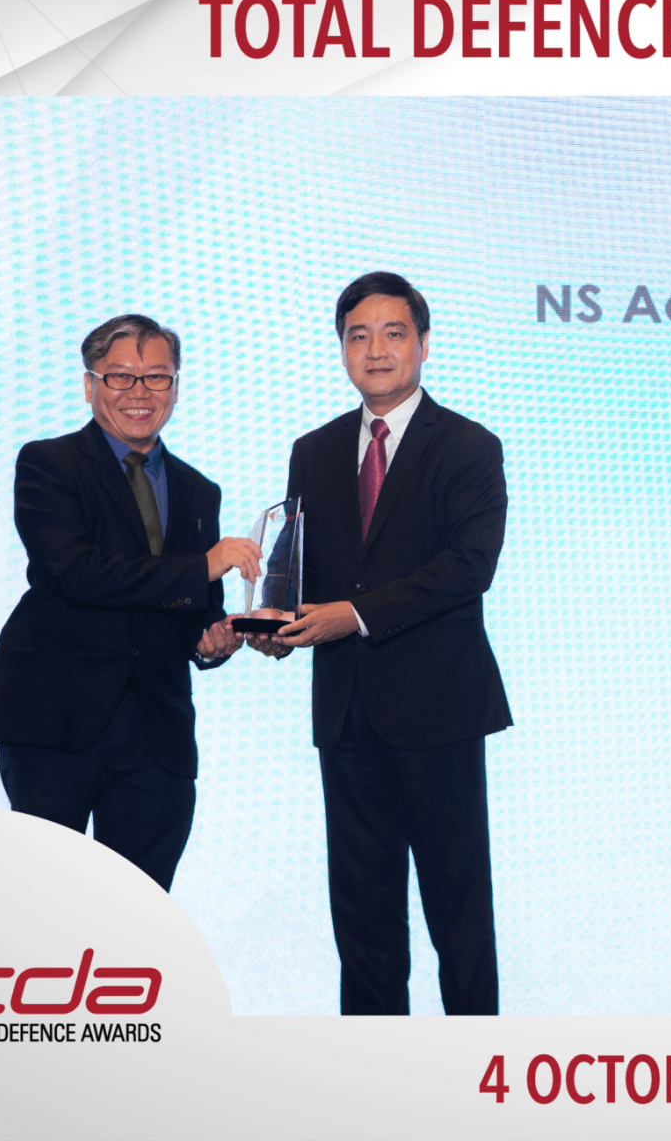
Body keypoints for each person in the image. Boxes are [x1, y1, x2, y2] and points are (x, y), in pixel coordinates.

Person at [249, 271, 511, 1015]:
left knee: (458, 915)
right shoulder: (314, 450)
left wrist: (353, 616)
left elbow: (468, 569)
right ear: (341, 349)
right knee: (362, 921)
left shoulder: (468, 446)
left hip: (440, 712)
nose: (376, 350)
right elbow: (298, 572)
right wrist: (277, 627)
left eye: (393, 333)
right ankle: (372, 1072)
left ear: (424, 344)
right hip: (347, 714)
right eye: (358, 336)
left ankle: (476, 1070)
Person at [0, 314, 261, 891]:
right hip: (55, 720)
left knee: (140, 916)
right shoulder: (47, 464)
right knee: (40, 908)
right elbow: (78, 574)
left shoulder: (199, 490)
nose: (139, 392)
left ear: (175, 387)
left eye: (156, 377)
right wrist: (203, 565)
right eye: (120, 376)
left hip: (157, 735)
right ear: (90, 385)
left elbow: (196, 605)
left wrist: (213, 639)